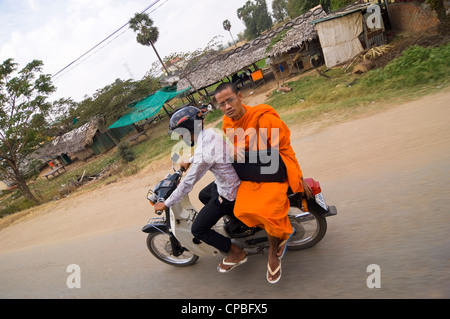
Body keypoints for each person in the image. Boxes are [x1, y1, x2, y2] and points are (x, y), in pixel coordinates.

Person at [214, 82, 312, 283]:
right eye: (221, 104)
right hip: (251, 172)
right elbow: (238, 151)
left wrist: (299, 176)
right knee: (241, 208)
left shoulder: (263, 117)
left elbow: (284, 149)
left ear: (240, 96)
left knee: (266, 208)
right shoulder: (226, 124)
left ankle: (273, 251)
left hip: (274, 171)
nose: (227, 107)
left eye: (230, 100)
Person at [153, 106, 247, 272]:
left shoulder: (204, 152)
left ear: (189, 130)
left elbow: (188, 183)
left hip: (229, 190)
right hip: (230, 180)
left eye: (181, 133)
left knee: (198, 229)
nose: (181, 137)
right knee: (204, 195)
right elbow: (202, 151)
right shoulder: (209, 133)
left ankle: (235, 252)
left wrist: (166, 203)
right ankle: (237, 221)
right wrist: (189, 160)